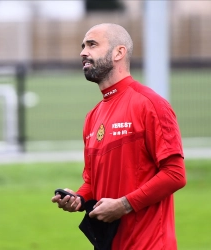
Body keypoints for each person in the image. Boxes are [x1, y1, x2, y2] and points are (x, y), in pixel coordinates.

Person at [51, 23, 187, 250]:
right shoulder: (92, 117)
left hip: (150, 244)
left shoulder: (150, 104)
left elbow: (175, 174)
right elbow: (93, 182)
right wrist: (79, 199)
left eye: (92, 44)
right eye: (83, 46)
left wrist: (124, 205)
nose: (83, 52)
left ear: (118, 52)